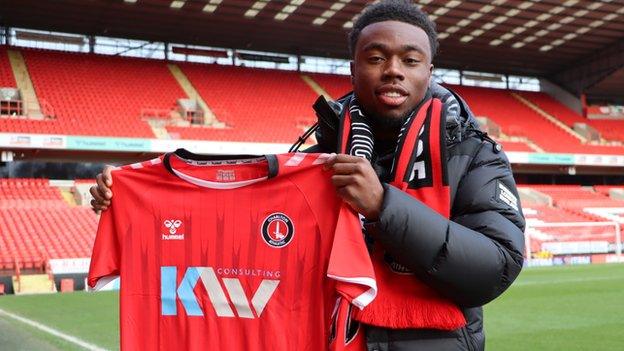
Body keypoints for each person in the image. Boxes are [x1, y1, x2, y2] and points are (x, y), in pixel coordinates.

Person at [90, 1, 525, 350]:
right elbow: (247, 228)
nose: (393, 69)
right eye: (376, 57)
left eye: (410, 60)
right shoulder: (318, 160)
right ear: (353, 69)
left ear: (429, 73)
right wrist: (131, 200)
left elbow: (495, 268)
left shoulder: (474, 154)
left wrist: (384, 207)